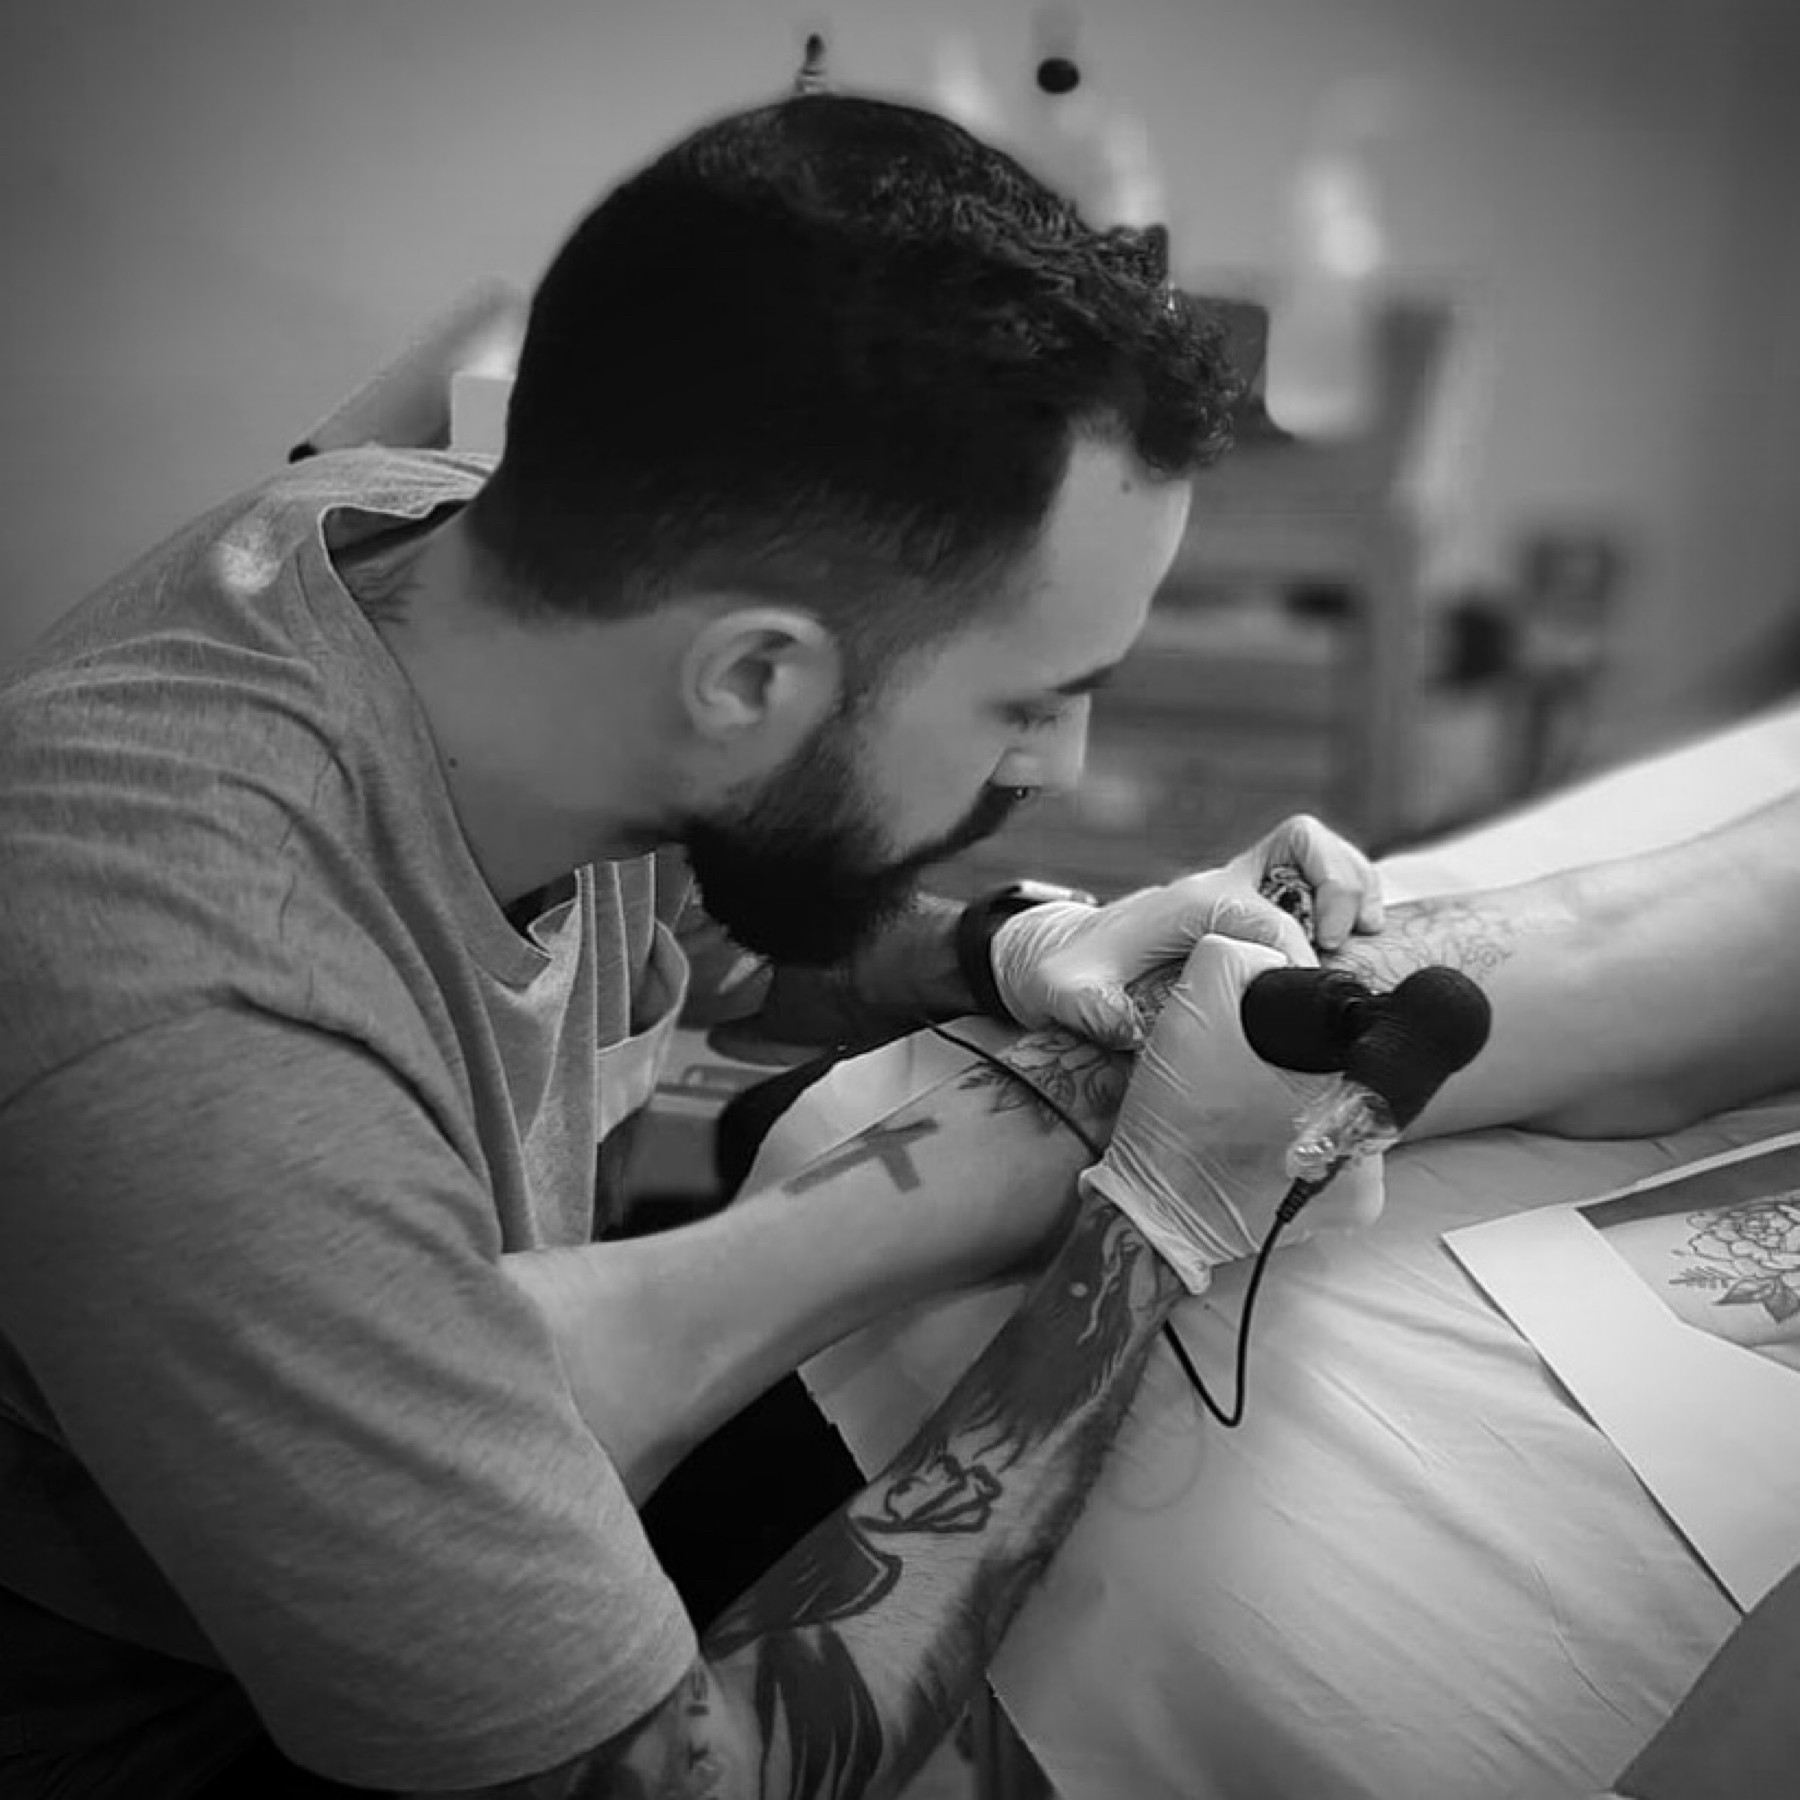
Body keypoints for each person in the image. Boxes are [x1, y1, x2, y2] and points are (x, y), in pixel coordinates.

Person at [0, 84, 1389, 1799]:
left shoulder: (477, 565)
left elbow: (699, 910)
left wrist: (1004, 949)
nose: (1058, 773)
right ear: (752, 678)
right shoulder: (206, 1036)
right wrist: (1146, 1241)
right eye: (1027, 703)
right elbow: (668, 1779)